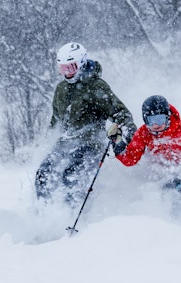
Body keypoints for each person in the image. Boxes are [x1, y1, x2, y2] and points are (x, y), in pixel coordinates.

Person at [35, 42, 137, 206]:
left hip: (90, 143)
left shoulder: (96, 86)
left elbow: (121, 113)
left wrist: (126, 135)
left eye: (71, 68)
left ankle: (73, 214)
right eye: (63, 68)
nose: (67, 73)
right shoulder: (61, 89)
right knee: (43, 174)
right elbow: (56, 120)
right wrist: (49, 140)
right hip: (65, 142)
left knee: (71, 175)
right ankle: (45, 214)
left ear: (82, 63)